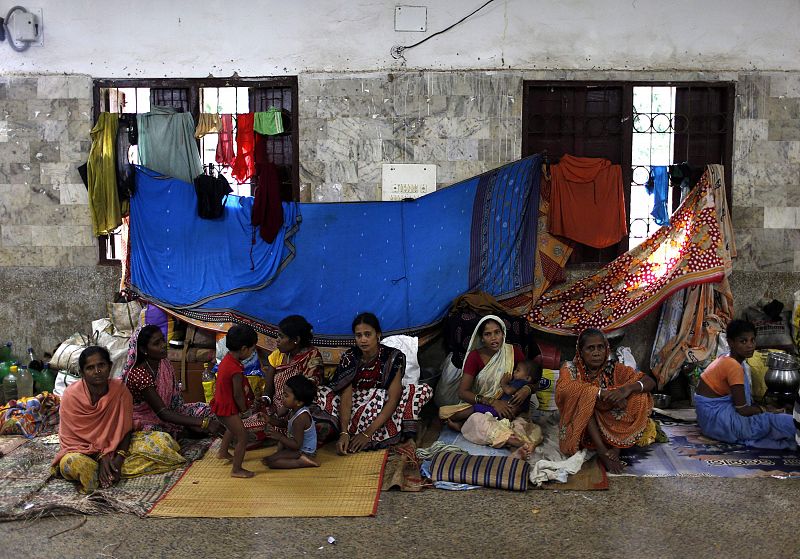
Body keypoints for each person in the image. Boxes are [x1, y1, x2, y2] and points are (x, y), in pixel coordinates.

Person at [53, 346, 186, 493]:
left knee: (163, 442)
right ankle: (105, 471)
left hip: (116, 447)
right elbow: (73, 439)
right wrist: (101, 455)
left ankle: (110, 470)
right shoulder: (71, 396)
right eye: (90, 368)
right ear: (83, 373)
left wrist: (119, 458)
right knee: (78, 465)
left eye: (101, 365)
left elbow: (126, 430)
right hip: (81, 451)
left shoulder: (120, 390)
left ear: (110, 366)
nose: (97, 371)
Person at [316, 312, 433, 454]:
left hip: (382, 409)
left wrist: (367, 433)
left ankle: (397, 437)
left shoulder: (392, 356)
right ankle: (345, 433)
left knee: (419, 391)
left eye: (367, 334)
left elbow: (394, 398)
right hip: (354, 408)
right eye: (359, 336)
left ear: (377, 335)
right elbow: (346, 396)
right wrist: (344, 433)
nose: (363, 340)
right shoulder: (350, 357)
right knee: (321, 392)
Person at [556, 328, 655, 474]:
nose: (596, 352)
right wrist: (600, 393)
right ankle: (602, 451)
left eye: (600, 347)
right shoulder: (570, 368)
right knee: (585, 399)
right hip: (584, 426)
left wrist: (626, 390)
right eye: (590, 348)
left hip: (611, 423)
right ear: (581, 352)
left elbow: (649, 381)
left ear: (606, 349)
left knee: (639, 396)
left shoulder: (614, 368)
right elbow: (564, 389)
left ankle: (617, 447)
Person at [695, 319, 796, 450]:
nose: (750, 345)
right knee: (780, 421)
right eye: (743, 341)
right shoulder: (733, 366)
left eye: (752, 340)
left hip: (708, 424)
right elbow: (743, 410)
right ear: (731, 342)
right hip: (719, 423)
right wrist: (766, 409)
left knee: (772, 418)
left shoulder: (726, 358)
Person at [122, 325, 225, 438]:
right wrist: (203, 423)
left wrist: (193, 420)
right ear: (143, 350)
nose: (163, 345)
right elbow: (163, 413)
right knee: (160, 437)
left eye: (163, 339)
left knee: (212, 410)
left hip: (171, 412)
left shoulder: (163, 362)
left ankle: (185, 431)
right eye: (157, 343)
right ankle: (183, 433)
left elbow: (175, 405)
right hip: (147, 420)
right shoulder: (140, 374)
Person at [439, 315, 535, 431]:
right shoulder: (475, 357)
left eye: (497, 332)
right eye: (487, 334)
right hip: (482, 402)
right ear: (482, 338)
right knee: (448, 413)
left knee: (514, 420)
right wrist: (492, 402)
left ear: (503, 334)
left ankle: (471, 425)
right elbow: (463, 393)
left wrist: (527, 389)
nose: (493, 338)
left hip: (507, 403)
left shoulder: (513, 352)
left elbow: (532, 379)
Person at [262, 315, 324, 432]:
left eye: (281, 336)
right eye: (278, 336)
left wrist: (286, 407)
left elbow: (311, 385)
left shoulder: (312, 355)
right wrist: (265, 400)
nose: (277, 340)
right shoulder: (277, 355)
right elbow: (268, 388)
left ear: (296, 339)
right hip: (277, 405)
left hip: (300, 404)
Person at [212, 324, 258, 478]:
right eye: (252, 350)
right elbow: (238, 394)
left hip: (221, 404)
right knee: (243, 436)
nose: (252, 353)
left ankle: (223, 452)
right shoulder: (235, 369)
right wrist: (244, 409)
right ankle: (237, 469)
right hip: (228, 407)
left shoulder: (228, 359)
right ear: (244, 349)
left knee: (231, 428)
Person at [263, 375, 320, 469]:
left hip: (304, 451)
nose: (282, 398)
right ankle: (284, 455)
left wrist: (279, 436)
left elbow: (297, 445)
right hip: (296, 446)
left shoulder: (301, 418)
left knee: (273, 463)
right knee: (270, 458)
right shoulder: (293, 409)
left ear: (299, 402)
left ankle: (302, 462)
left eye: (286, 396)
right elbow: (286, 424)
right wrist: (269, 420)